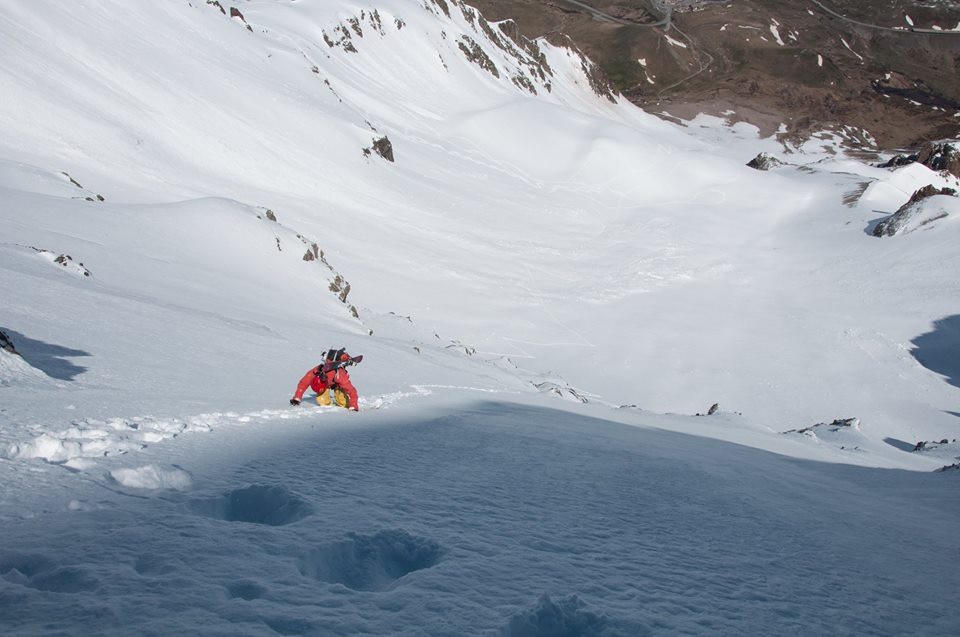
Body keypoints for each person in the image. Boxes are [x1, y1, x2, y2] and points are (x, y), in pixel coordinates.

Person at [289, 349, 360, 411]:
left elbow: (352, 390)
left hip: (338, 384)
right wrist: (297, 398)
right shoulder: (316, 372)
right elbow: (304, 383)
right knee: (322, 402)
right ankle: (329, 405)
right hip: (327, 383)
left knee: (343, 402)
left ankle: (345, 358)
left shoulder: (339, 375)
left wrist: (353, 405)